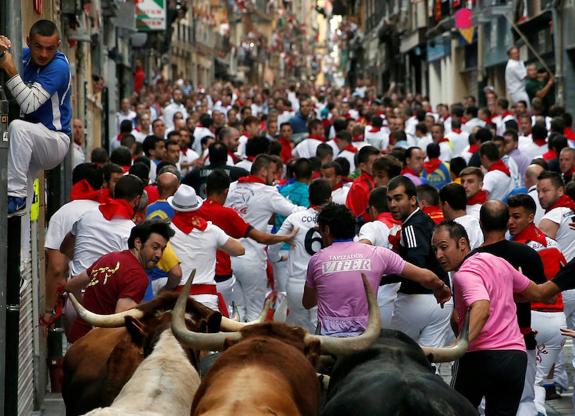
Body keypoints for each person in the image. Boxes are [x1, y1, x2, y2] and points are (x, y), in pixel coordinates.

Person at [432, 221, 570, 415]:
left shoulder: (463, 276)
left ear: (462, 243)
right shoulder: (498, 262)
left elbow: (481, 307)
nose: (439, 255)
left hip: (479, 358)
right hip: (514, 359)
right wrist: (567, 275)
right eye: (435, 249)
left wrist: (457, 346)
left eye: (444, 247)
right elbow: (540, 294)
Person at [303, 203, 451, 337]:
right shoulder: (378, 254)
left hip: (329, 341)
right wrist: (441, 286)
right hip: (366, 339)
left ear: (327, 230)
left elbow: (308, 303)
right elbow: (425, 277)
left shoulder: (317, 260)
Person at [195, 170, 298, 317]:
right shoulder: (227, 213)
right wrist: (284, 237)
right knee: (254, 312)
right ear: (226, 191)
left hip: (208, 273)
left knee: (234, 313)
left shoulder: (196, 211)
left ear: (205, 190)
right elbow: (261, 238)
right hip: (236, 268)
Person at [0, 21, 72, 216]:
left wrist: (11, 71)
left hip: (54, 140)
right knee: (19, 216)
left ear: (58, 46)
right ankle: (22, 244)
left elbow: (29, 104)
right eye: (38, 46)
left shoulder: (60, 66)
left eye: (49, 48)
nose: (43, 54)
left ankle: (15, 196)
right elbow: (5, 55)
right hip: (28, 142)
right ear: (28, 41)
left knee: (18, 128)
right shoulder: (23, 56)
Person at [507, 194, 568, 414]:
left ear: (531, 217)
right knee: (538, 383)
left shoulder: (516, 248)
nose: (511, 222)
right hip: (557, 323)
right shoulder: (552, 243)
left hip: (530, 320)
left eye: (516, 217)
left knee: (521, 387)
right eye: (508, 217)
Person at [66, 220, 174, 342]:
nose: (159, 254)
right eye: (155, 247)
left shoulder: (109, 257)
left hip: (77, 339)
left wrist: (84, 310)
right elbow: (122, 318)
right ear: (138, 243)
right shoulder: (137, 275)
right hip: (98, 346)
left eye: (162, 249)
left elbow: (71, 286)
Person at [225, 154, 304, 321]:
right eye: (273, 172)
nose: (275, 178)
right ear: (263, 171)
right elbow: (294, 211)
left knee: (236, 313)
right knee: (255, 314)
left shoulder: (231, 187)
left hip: (227, 258)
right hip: (251, 260)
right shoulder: (268, 192)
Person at [385, 176, 452, 348]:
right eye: (389, 199)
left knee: (396, 355)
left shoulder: (411, 227)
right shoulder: (424, 220)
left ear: (413, 200)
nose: (392, 204)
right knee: (429, 363)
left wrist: (380, 278)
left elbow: (416, 265)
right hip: (442, 302)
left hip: (417, 299)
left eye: (398, 198)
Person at [42, 163, 107, 324]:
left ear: (74, 183)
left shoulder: (62, 214)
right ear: (101, 185)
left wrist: (48, 310)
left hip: (77, 300)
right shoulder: (109, 213)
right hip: (108, 296)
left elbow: (57, 268)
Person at [168, 184, 244, 315]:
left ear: (174, 209)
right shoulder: (211, 230)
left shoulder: (166, 231)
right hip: (208, 300)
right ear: (196, 208)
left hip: (177, 299)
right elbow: (239, 250)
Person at [276, 179, 332, 332]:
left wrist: (279, 258)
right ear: (330, 199)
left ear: (309, 199)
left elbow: (273, 246)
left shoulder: (294, 218)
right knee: (321, 331)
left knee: (297, 333)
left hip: (297, 284)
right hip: (325, 283)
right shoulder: (335, 219)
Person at [357, 187, 402, 328]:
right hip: (404, 301)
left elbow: (360, 250)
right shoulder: (408, 225)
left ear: (373, 209)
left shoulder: (372, 227)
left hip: (379, 301)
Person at [183, 142, 249, 198]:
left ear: (209, 157)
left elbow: (183, 188)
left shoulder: (195, 173)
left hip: (201, 209)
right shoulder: (240, 173)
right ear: (226, 157)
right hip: (228, 209)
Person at [439, 183, 483, 249]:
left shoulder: (452, 231)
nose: (440, 208)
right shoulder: (476, 222)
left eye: (440, 205)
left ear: (445, 205)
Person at [345, 146, 380, 223]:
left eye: (380, 161)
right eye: (375, 162)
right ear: (362, 166)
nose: (380, 165)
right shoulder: (359, 187)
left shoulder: (377, 180)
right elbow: (360, 218)